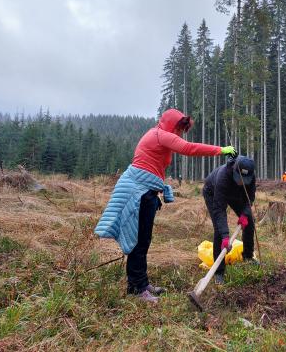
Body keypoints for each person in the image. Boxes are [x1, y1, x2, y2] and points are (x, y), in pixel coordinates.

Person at [95, 109, 236, 303]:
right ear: (170, 123)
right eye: (178, 127)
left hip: (148, 191)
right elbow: (189, 148)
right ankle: (137, 289)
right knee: (138, 241)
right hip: (139, 191)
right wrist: (221, 150)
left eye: (181, 129)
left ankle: (141, 284)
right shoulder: (159, 135)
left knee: (144, 240)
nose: (179, 133)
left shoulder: (161, 136)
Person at [203, 155, 257, 285]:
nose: (241, 182)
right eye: (239, 178)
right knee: (219, 230)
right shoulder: (223, 177)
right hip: (213, 192)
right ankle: (219, 272)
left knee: (249, 221)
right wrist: (225, 236)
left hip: (236, 194)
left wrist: (244, 214)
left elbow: (250, 198)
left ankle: (248, 257)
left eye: (245, 180)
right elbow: (219, 210)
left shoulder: (251, 176)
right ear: (234, 170)